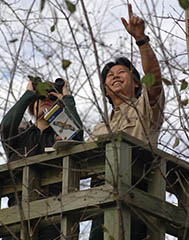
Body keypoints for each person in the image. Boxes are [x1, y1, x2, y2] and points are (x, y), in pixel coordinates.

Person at [89, 3, 165, 240]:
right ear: (106, 90)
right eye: (110, 76)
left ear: (135, 83)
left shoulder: (144, 108)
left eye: (121, 73)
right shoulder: (99, 128)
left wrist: (141, 41)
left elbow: (154, 82)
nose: (114, 76)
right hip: (100, 200)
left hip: (137, 194)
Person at [1, 78, 83, 239]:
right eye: (42, 97)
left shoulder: (61, 134)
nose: (47, 100)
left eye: (52, 98)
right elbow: (5, 126)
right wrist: (28, 95)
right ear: (33, 104)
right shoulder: (20, 135)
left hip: (55, 211)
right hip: (18, 211)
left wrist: (65, 97)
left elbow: (77, 135)